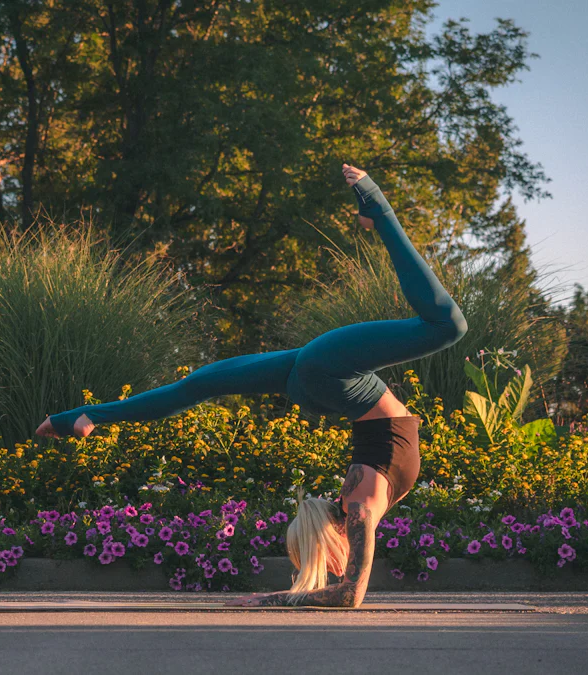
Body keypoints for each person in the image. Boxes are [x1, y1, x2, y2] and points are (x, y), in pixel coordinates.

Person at [35, 164, 468, 607]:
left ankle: (379, 211)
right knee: (199, 386)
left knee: (446, 326)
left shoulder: (360, 506)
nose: (339, 566)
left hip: (331, 374)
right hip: (322, 381)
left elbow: (348, 596)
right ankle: (79, 418)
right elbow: (349, 594)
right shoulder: (360, 507)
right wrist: (281, 596)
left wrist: (267, 600)